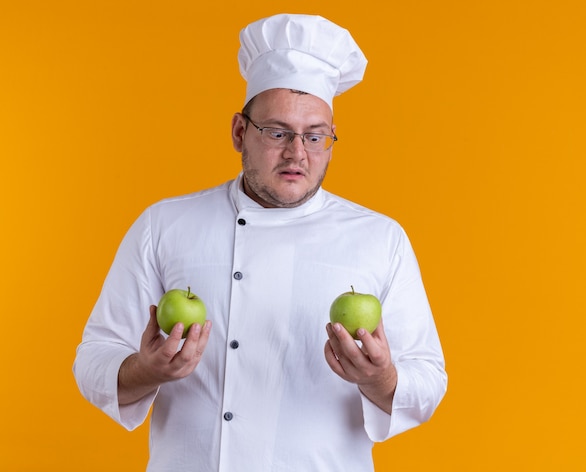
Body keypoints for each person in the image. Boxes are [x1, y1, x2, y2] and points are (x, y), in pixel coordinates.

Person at [73, 13, 447, 472]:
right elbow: (93, 360)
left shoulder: (379, 238)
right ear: (238, 132)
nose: (298, 153)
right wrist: (145, 372)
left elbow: (428, 381)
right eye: (277, 132)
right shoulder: (165, 224)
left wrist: (382, 378)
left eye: (316, 136)